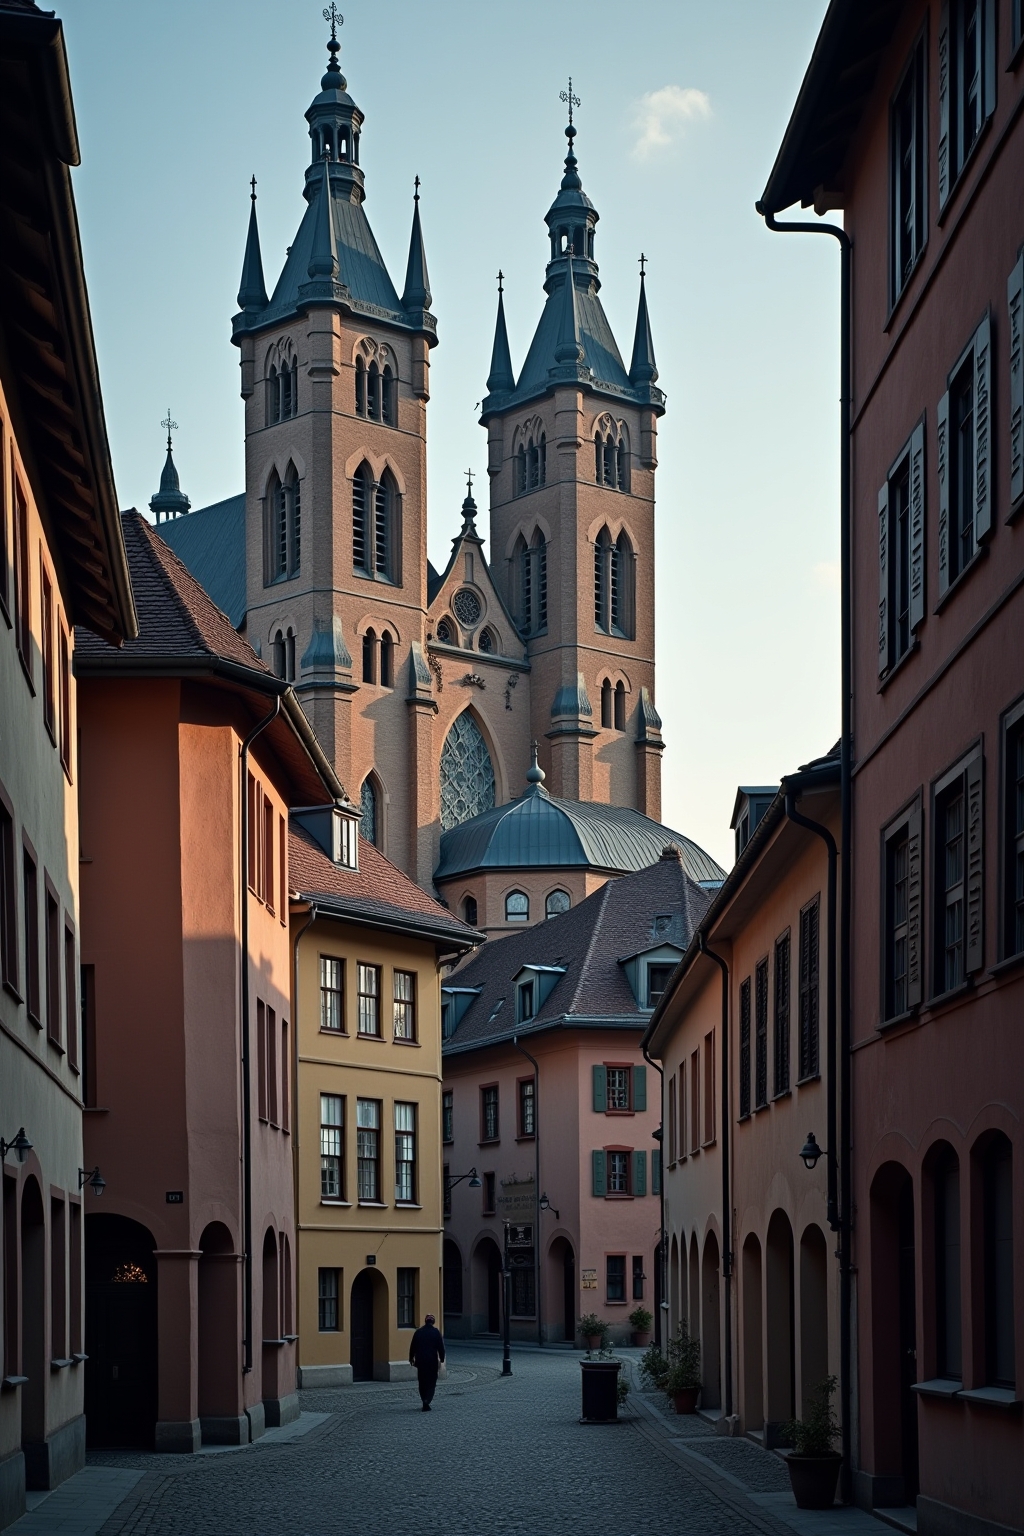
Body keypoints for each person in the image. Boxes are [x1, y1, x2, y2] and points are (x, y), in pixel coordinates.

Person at [409, 1312, 445, 1410]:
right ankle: (427, 1400)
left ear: (425, 1321)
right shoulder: (436, 1332)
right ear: (433, 1322)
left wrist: (411, 1358)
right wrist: (442, 1358)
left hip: (420, 1361)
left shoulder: (418, 1332)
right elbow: (441, 1347)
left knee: (422, 1381)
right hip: (432, 1361)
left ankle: (424, 1398)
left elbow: (413, 1347)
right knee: (432, 1381)